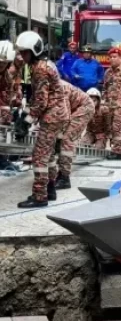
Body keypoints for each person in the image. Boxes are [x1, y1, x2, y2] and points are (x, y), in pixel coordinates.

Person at [15, 31, 69, 208]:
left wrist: (26, 122)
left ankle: (40, 196)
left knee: (39, 157)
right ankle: (50, 188)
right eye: (21, 52)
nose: (22, 56)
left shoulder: (40, 69)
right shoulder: (44, 65)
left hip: (52, 116)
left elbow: (40, 101)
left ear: (34, 51)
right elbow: (37, 97)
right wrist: (26, 114)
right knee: (49, 154)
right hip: (58, 114)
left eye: (25, 52)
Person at [53, 81, 95, 191]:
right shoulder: (46, 86)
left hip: (85, 107)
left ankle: (64, 178)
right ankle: (59, 172)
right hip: (74, 108)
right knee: (58, 137)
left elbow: (64, 115)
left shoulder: (60, 88)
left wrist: (60, 134)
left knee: (66, 139)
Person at [0, 41, 15, 125]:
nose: (1, 65)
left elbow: (6, 99)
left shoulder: (8, 78)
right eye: (0, 62)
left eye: (4, 63)